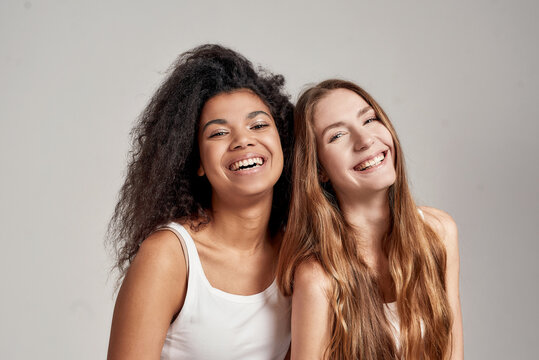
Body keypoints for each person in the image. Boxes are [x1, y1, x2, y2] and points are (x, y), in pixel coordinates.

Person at [107, 44, 294, 360]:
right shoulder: (169, 257)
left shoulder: (294, 253)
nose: (243, 140)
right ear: (197, 162)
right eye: (219, 133)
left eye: (259, 125)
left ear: (281, 140)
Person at [277, 79, 463, 359]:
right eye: (337, 135)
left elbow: (453, 352)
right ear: (319, 170)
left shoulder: (439, 232)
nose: (365, 140)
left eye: (369, 119)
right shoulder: (319, 278)